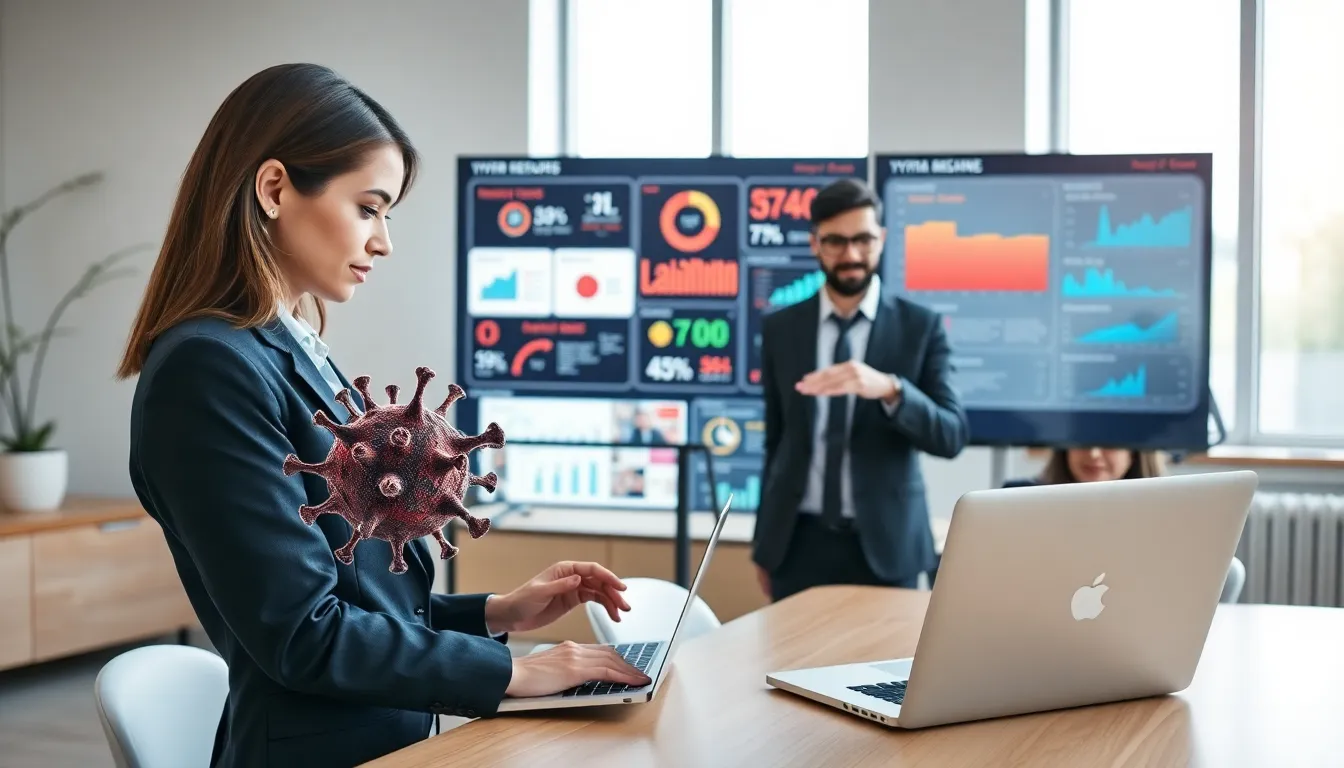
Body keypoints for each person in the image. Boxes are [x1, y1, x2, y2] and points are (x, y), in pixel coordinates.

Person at [115, 63, 648, 768]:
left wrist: (498, 615)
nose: (384, 241)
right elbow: (302, 633)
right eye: (368, 208)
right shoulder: (207, 371)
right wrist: (515, 672)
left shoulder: (292, 351)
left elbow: (355, 595)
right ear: (274, 189)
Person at [752, 178, 969, 603]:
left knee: (884, 671)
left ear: (882, 239)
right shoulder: (781, 328)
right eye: (835, 241)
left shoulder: (919, 327)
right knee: (787, 668)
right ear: (814, 243)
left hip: (887, 550)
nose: (850, 255)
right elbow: (776, 444)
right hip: (797, 546)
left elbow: (951, 434)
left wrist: (891, 390)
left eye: (863, 240)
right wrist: (765, 544)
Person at [1004, 447, 1168, 487]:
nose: (1094, 453)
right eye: (1082, 440)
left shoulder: (1166, 512)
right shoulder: (1016, 497)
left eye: (1108, 442)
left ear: (1134, 452)